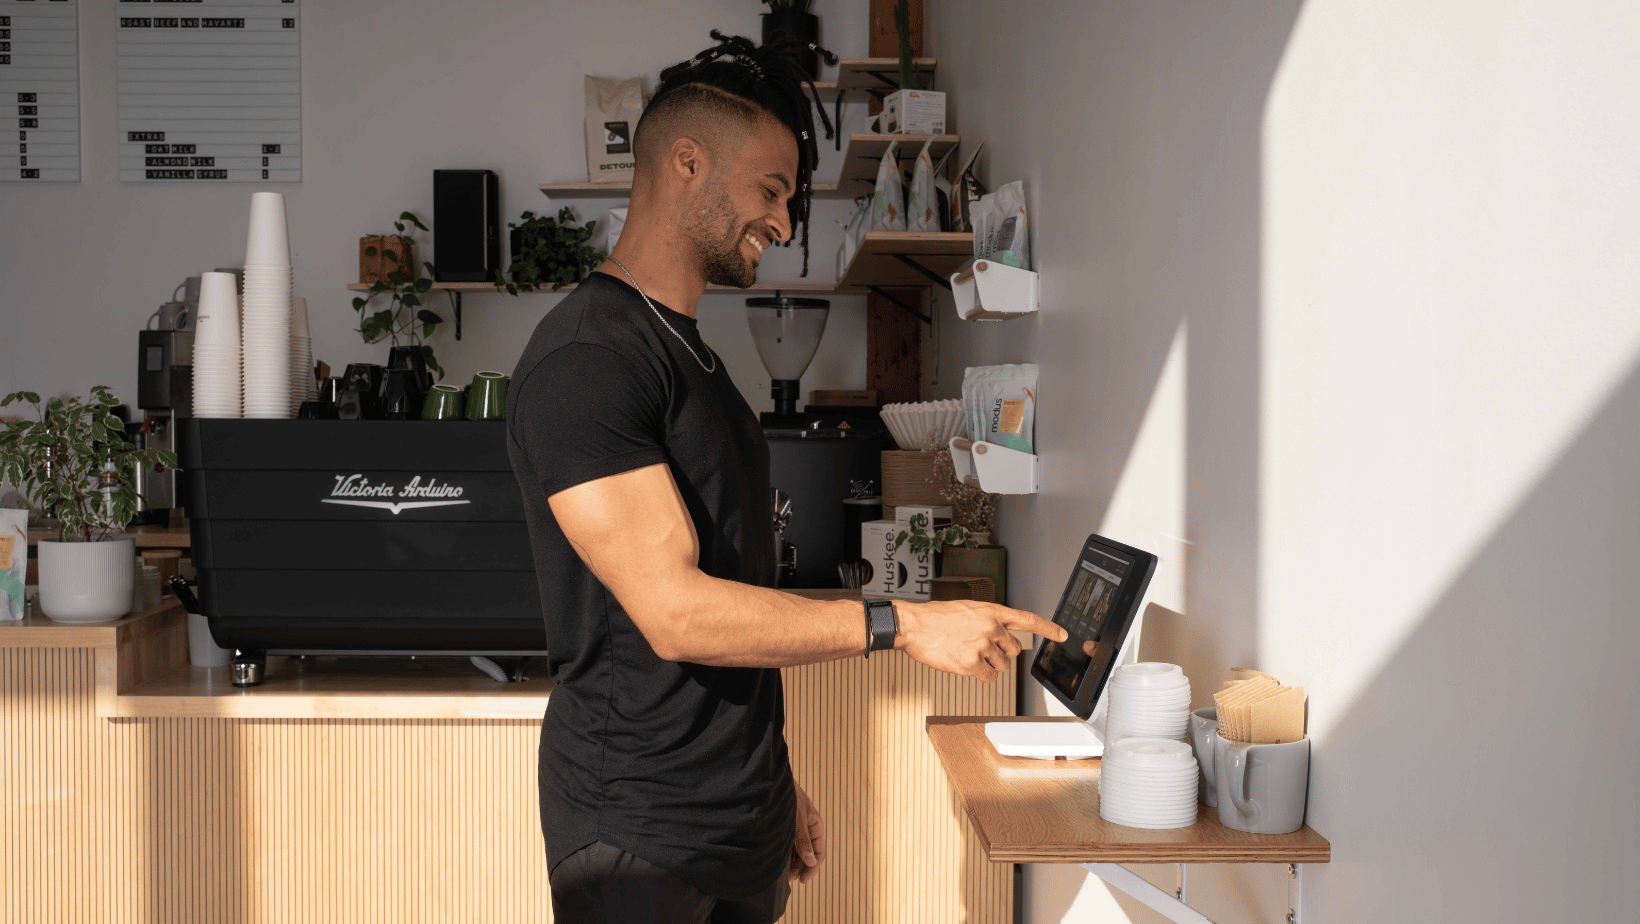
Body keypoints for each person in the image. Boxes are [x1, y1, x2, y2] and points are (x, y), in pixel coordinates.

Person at [506, 31, 1067, 924]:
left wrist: (770, 776)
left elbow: (731, 587)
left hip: (737, 823)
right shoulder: (589, 358)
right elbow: (677, 612)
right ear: (686, 163)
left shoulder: (693, 357)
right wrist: (903, 623)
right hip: (640, 836)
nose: (783, 221)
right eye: (771, 190)